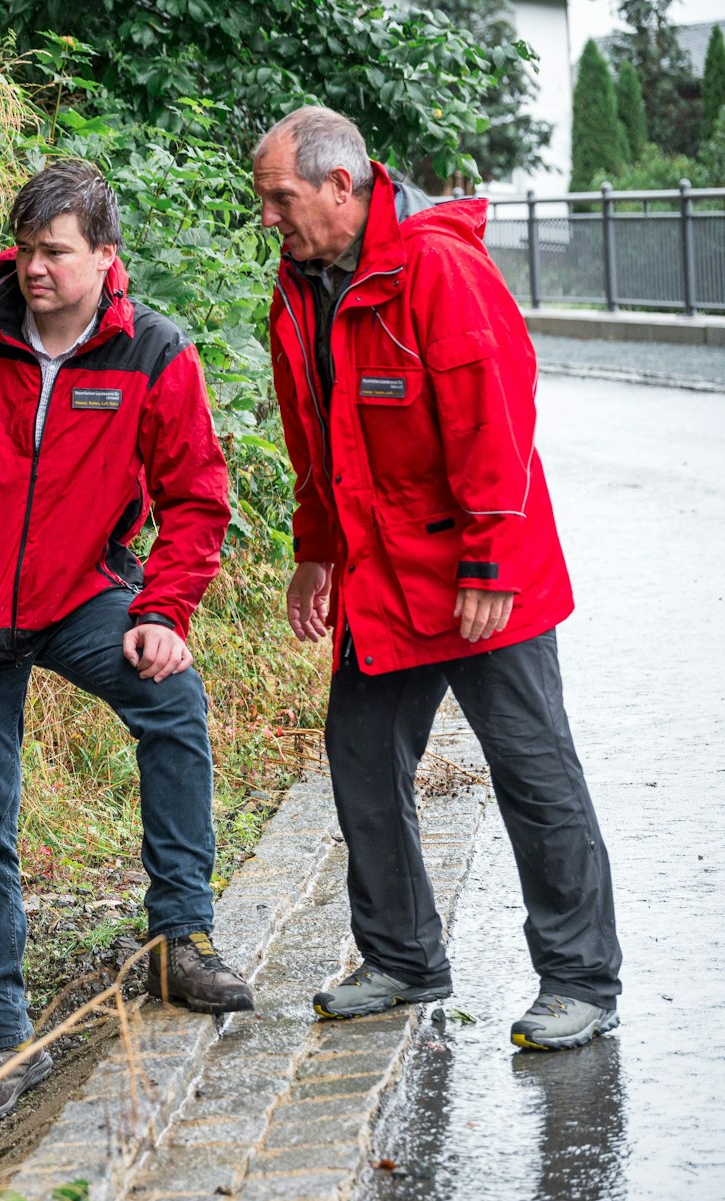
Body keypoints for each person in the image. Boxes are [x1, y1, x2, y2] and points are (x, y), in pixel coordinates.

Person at [0, 160, 254, 1135]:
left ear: (104, 256)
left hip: (82, 594)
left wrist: (163, 610)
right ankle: (2, 1039)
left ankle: (177, 938)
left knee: (172, 699)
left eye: (56, 252)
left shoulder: (152, 351)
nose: (34, 269)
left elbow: (196, 497)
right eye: (25, 249)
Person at [254, 106, 622, 1051]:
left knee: (532, 770)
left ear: (341, 185)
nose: (268, 217)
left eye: (280, 197)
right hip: (382, 574)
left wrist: (490, 559)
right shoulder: (300, 288)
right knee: (361, 756)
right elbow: (315, 439)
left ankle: (581, 979)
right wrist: (315, 550)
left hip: (480, 575)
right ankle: (404, 957)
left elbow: (496, 414)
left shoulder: (438, 267)